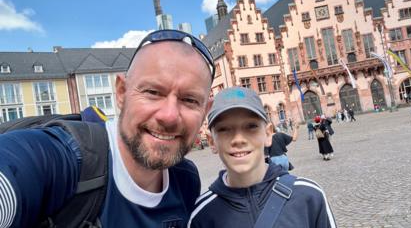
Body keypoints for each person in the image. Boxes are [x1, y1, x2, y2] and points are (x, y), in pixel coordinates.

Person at [0, 30, 215, 227]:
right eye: (153, 92)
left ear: (205, 110)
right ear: (121, 92)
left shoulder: (186, 180)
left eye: (189, 100)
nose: (169, 116)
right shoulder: (67, 160)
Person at [188, 87, 336, 228]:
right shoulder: (201, 216)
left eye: (251, 126)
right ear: (212, 142)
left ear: (268, 134)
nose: (238, 139)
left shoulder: (309, 197)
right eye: (224, 129)